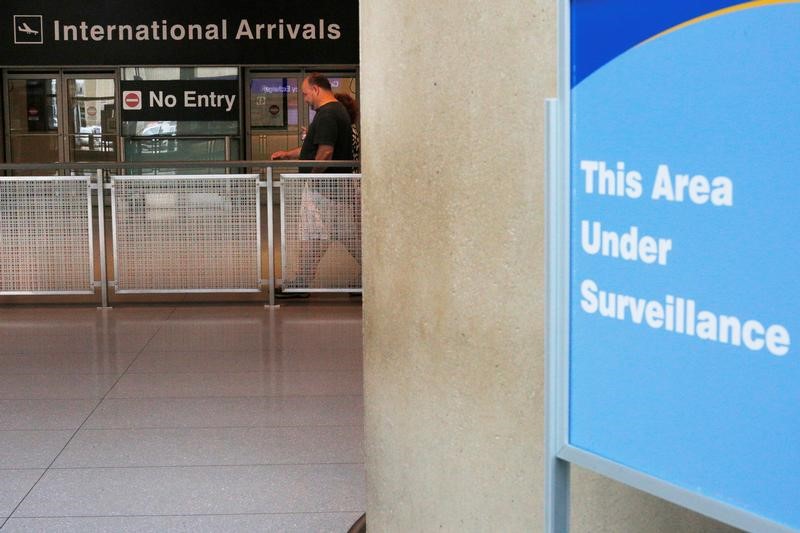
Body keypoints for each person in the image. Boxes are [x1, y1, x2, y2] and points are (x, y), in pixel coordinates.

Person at [271, 74, 359, 293]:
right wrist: (287, 155)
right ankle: (303, 280)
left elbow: (325, 152)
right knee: (342, 235)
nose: (306, 98)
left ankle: (301, 282)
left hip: (324, 189)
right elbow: (314, 149)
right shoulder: (335, 111)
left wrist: (310, 175)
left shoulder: (328, 114)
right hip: (335, 189)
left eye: (306, 93)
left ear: (317, 89)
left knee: (313, 235)